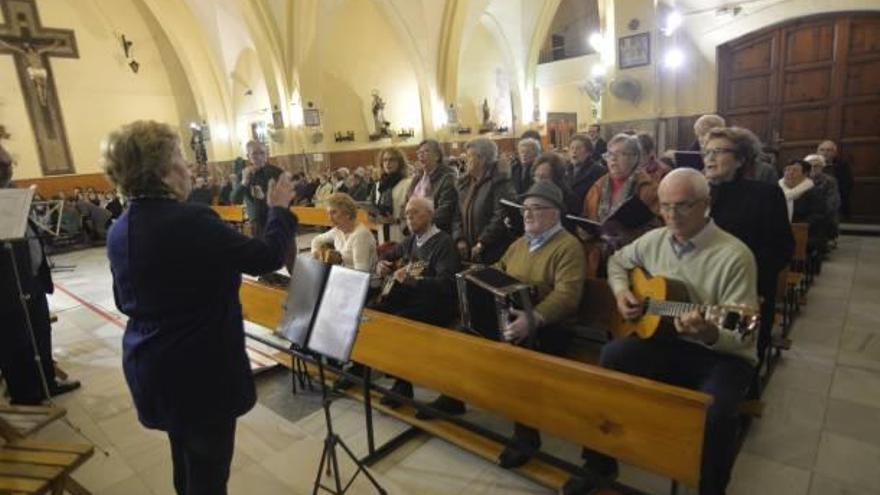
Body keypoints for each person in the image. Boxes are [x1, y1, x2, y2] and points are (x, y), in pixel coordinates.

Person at [104, 121, 298, 495]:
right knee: (209, 475)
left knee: (186, 464)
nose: (188, 166)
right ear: (161, 170)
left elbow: (122, 299)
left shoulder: (120, 227)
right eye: (180, 157)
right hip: (200, 370)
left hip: (152, 365)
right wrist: (278, 211)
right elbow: (266, 257)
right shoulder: (190, 220)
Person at [562, 169, 759, 495]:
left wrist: (708, 332)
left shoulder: (734, 256)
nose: (671, 215)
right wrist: (623, 292)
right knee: (610, 358)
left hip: (722, 355)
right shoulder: (654, 240)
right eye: (664, 206)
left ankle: (711, 487)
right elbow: (616, 264)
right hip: (667, 340)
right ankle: (599, 464)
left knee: (717, 409)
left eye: (683, 205)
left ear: (706, 204)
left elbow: (743, 336)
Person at [492, 181, 587, 469]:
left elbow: (567, 297)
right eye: (524, 209)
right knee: (465, 335)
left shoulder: (568, 247)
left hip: (552, 326)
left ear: (554, 213)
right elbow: (499, 268)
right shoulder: (520, 243)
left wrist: (533, 319)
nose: (527, 214)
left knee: (516, 358)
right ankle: (456, 397)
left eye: (536, 209)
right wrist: (481, 276)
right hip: (517, 317)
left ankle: (526, 437)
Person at [702, 126, 793, 369]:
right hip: (704, 288)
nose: (709, 158)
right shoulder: (698, 194)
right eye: (707, 151)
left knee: (738, 357)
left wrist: (751, 283)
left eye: (719, 151)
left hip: (749, 290)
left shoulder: (765, 195)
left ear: (741, 159)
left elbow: (782, 249)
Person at [0, 143, 80, 406]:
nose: (9, 168)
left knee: (40, 331)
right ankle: (25, 394)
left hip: (31, 276)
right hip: (8, 283)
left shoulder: (14, 195)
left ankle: (48, 382)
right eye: (4, 164)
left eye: (9, 163)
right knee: (16, 339)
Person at [372, 197, 461, 407]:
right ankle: (388, 373)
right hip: (413, 299)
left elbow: (447, 285)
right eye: (407, 214)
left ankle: (403, 385)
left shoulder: (443, 243)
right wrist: (382, 265)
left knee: (400, 323)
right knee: (374, 311)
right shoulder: (412, 240)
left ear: (430, 215)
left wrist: (414, 281)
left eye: (415, 213)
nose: (409, 218)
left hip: (437, 304)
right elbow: (387, 255)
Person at [581, 133, 660, 277]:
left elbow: (659, 229)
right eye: (610, 154)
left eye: (620, 154)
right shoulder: (597, 187)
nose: (613, 159)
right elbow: (586, 218)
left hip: (635, 263)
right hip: (598, 260)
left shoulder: (648, 188)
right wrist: (586, 230)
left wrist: (626, 236)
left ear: (635, 157)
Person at [453, 137, 517, 264]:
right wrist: (459, 239)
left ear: (482, 159)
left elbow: (501, 216)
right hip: (468, 248)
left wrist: (482, 242)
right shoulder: (464, 183)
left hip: (493, 249)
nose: (465, 160)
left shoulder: (500, 181)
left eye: (469, 156)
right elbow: (456, 214)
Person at [310, 192, 377, 273]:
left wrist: (339, 262)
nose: (330, 218)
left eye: (334, 212)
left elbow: (361, 273)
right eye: (328, 213)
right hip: (344, 276)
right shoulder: (338, 230)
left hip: (363, 282)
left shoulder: (361, 235)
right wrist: (316, 255)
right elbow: (316, 240)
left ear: (347, 213)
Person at [405, 139, 459, 234]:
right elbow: (407, 202)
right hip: (416, 230)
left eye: (426, 151)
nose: (421, 155)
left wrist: (421, 222)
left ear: (437, 156)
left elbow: (446, 209)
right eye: (419, 152)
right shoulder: (417, 178)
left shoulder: (448, 177)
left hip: (437, 232)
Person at [233, 140, 283, 239]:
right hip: (256, 223)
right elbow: (235, 200)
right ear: (248, 156)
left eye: (262, 153)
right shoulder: (243, 175)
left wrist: (265, 197)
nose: (259, 157)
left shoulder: (276, 172)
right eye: (254, 153)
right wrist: (244, 182)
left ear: (267, 154)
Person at [782, 159, 831, 253]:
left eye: (795, 170)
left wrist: (795, 227)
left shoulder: (814, 192)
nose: (790, 173)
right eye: (787, 169)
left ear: (805, 175)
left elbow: (818, 216)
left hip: (806, 233)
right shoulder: (777, 189)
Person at [372, 147, 413, 243]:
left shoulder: (408, 184)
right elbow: (376, 208)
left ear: (400, 163)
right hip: (382, 231)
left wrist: (397, 220)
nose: (387, 163)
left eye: (392, 159)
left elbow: (414, 213)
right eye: (385, 160)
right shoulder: (379, 185)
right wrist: (374, 217)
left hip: (400, 233)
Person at [531, 152, 579, 227]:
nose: (538, 181)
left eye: (544, 177)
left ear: (557, 179)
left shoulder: (569, 199)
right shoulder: (532, 194)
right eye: (536, 176)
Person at [805, 153, 840, 241]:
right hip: (805, 212)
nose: (812, 169)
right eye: (810, 166)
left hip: (824, 213)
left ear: (822, 167)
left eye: (816, 166)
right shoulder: (802, 179)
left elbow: (832, 202)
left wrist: (818, 213)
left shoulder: (829, 181)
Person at [566, 134, 607, 208]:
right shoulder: (564, 170)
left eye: (578, 148)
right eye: (571, 148)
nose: (574, 151)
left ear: (588, 152)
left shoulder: (598, 171)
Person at [816, 140, 854, 219]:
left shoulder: (843, 166)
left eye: (828, 150)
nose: (825, 153)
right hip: (815, 205)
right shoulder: (811, 164)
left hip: (836, 204)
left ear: (835, 153)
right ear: (817, 152)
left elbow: (847, 185)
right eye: (822, 150)